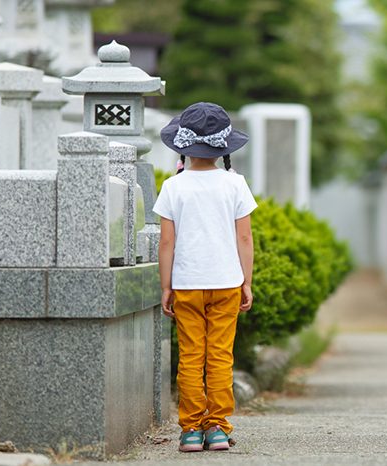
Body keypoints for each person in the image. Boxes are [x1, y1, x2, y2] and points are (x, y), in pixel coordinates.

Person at [153, 102, 257, 452]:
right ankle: (217, 428)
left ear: (183, 147)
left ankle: (191, 430)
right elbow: (244, 238)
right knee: (220, 356)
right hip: (226, 282)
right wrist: (247, 281)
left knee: (192, 356)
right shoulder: (235, 184)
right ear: (223, 148)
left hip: (186, 284)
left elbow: (167, 241)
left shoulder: (173, 187)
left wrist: (165, 286)